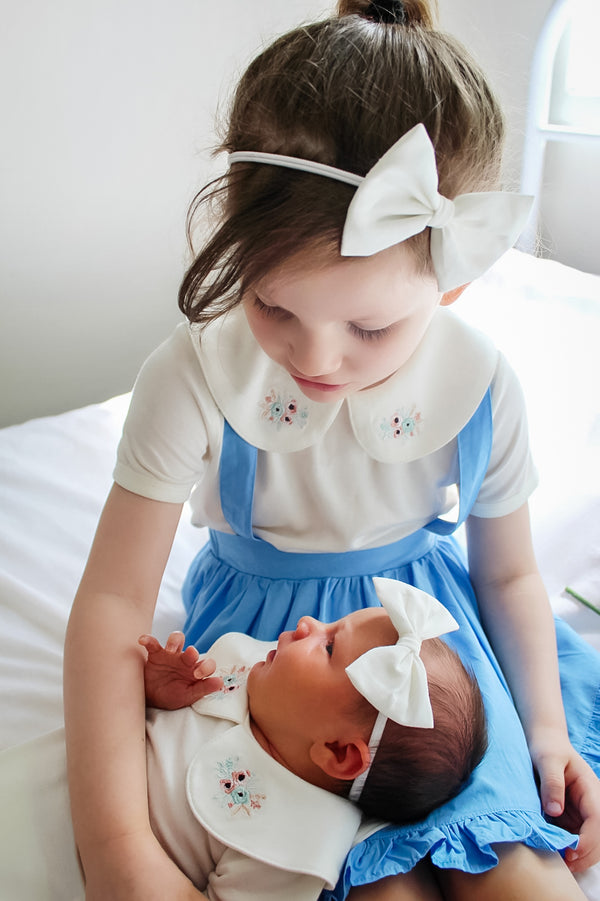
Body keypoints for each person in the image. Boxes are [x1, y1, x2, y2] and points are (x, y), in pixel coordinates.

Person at [63, 1, 600, 900]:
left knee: (515, 872)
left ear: (455, 278)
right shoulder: (194, 374)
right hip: (272, 653)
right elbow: (113, 602)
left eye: (371, 324)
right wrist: (120, 849)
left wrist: (544, 725)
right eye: (274, 308)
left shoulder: (480, 386)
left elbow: (508, 577)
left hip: (426, 650)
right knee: (357, 881)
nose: (317, 360)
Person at [1, 581, 487, 901]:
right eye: (332, 624)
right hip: (43, 781)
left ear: (339, 753)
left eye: (330, 646)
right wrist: (155, 693)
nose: (308, 625)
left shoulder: (297, 846)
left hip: (55, 871)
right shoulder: (243, 674)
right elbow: (119, 727)